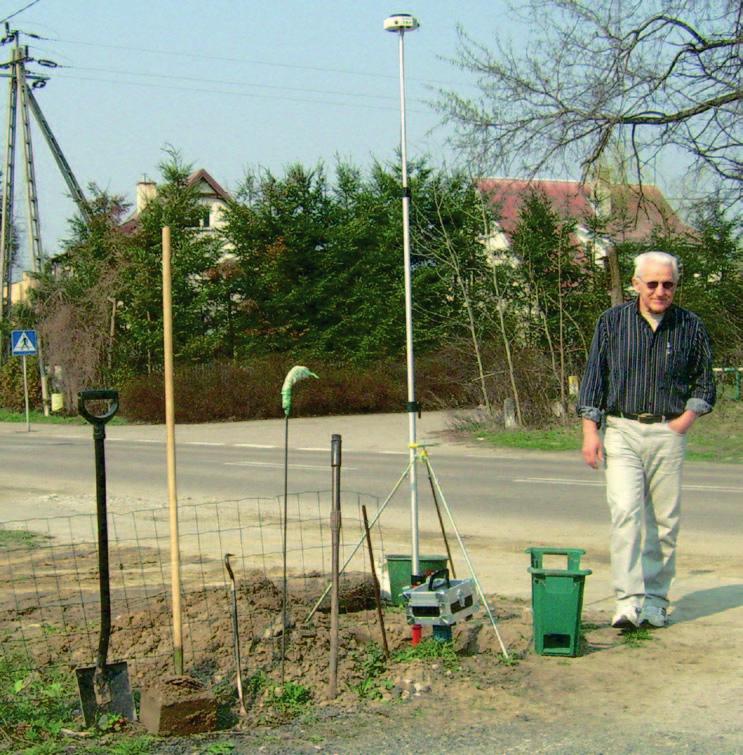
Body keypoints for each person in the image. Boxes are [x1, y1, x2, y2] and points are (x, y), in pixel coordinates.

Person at [577, 251, 715, 629]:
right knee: (625, 513)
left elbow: (705, 383)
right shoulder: (611, 323)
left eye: (667, 284)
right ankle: (627, 601)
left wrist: (685, 421)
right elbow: (595, 378)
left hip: (668, 432)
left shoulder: (690, 325)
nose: (660, 291)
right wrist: (591, 431)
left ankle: (655, 601)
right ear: (636, 284)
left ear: (675, 285)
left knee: (664, 523)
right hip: (622, 430)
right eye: (652, 283)